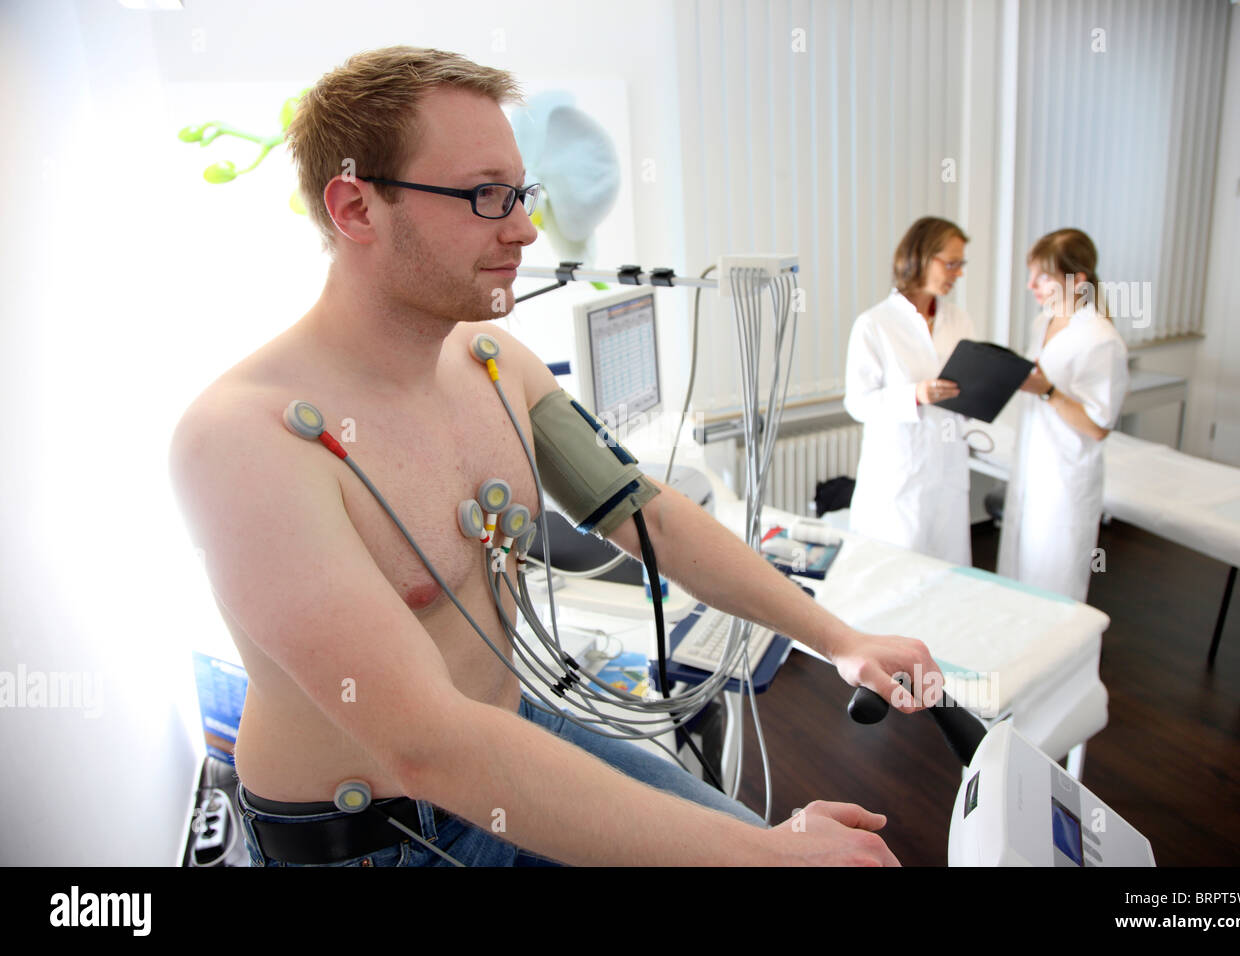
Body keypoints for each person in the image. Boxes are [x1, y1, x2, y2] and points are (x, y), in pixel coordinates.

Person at [168, 46, 942, 867]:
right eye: (485, 197)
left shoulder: (495, 363)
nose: (527, 228)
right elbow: (426, 747)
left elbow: (648, 516)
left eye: (522, 192)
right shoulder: (244, 442)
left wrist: (837, 637)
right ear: (357, 207)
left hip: (512, 732)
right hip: (383, 834)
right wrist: (767, 854)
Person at [996, 228, 1129, 603]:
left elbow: (1098, 426)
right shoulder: (1044, 322)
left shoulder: (1101, 339)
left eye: (1043, 276)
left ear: (1077, 280)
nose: (1030, 285)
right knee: (1017, 581)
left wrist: (1050, 391)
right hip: (1031, 469)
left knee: (1053, 588)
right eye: (1030, 274)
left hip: (1064, 481)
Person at [843, 217, 976, 565]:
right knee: (894, 575)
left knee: (947, 575)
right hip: (897, 476)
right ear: (919, 257)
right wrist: (914, 395)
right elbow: (858, 403)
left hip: (947, 468)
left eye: (961, 264)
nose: (958, 272)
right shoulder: (875, 324)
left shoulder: (959, 320)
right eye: (951, 263)